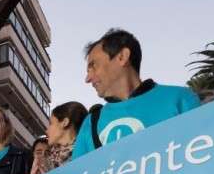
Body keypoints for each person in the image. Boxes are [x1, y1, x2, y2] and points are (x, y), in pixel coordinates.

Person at [72, 29, 201, 158]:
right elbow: (79, 171)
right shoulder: (91, 123)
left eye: (93, 66)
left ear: (122, 57)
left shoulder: (180, 99)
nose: (87, 79)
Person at [32, 102, 89, 174]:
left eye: (51, 123)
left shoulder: (86, 154)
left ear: (65, 122)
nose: (47, 131)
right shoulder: (48, 161)